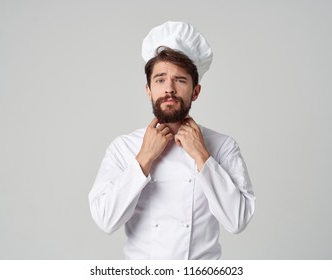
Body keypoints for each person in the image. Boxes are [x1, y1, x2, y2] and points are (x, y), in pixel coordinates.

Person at [89, 21, 255, 260]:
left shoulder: (222, 146)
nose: (169, 89)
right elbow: (106, 221)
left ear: (195, 91)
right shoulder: (123, 148)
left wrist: (202, 157)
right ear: (148, 89)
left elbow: (237, 221)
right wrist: (144, 158)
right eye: (160, 79)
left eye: (180, 80)